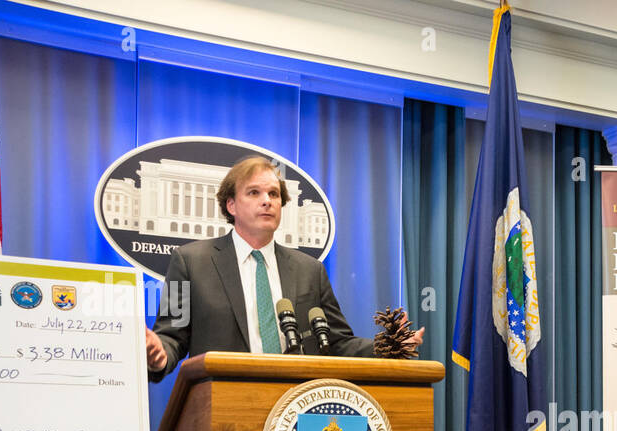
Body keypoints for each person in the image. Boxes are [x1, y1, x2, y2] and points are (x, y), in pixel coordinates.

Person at [144, 156, 422, 380]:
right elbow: (171, 335)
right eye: (254, 192)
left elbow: (337, 342)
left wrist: (390, 346)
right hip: (223, 409)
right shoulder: (189, 261)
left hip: (296, 409)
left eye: (274, 194)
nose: (267, 200)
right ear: (231, 205)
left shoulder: (309, 270)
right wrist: (158, 355)